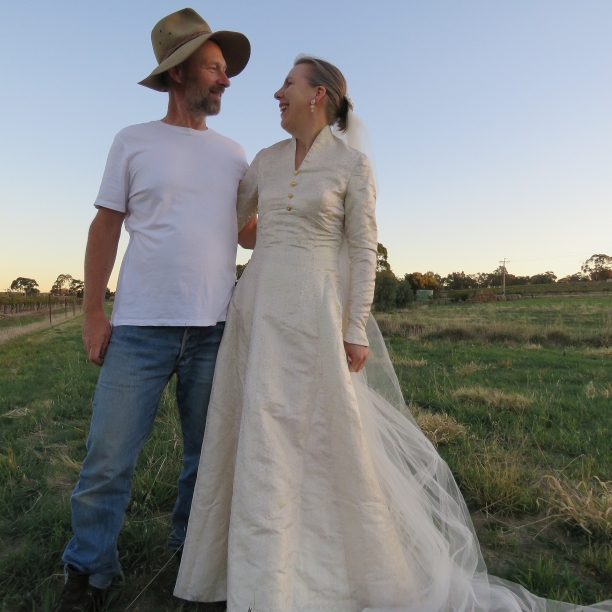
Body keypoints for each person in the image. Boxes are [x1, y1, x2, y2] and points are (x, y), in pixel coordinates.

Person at [175, 58, 612, 612]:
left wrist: (354, 327)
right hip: (257, 309)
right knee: (255, 428)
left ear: (320, 95)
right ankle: (251, 576)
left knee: (320, 434)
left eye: (289, 83)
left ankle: (325, 571)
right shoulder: (263, 161)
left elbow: (362, 250)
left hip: (316, 313)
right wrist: (275, 235)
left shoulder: (352, 166)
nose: (277, 92)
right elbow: (237, 227)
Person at [56, 8, 255, 612]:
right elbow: (105, 227)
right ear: (178, 74)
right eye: (215, 68)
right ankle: (88, 571)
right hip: (140, 327)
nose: (226, 80)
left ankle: (188, 557)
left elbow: (246, 233)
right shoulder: (133, 141)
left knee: (206, 454)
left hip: (214, 328)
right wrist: (95, 312)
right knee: (108, 458)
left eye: (225, 70)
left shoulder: (234, 152)